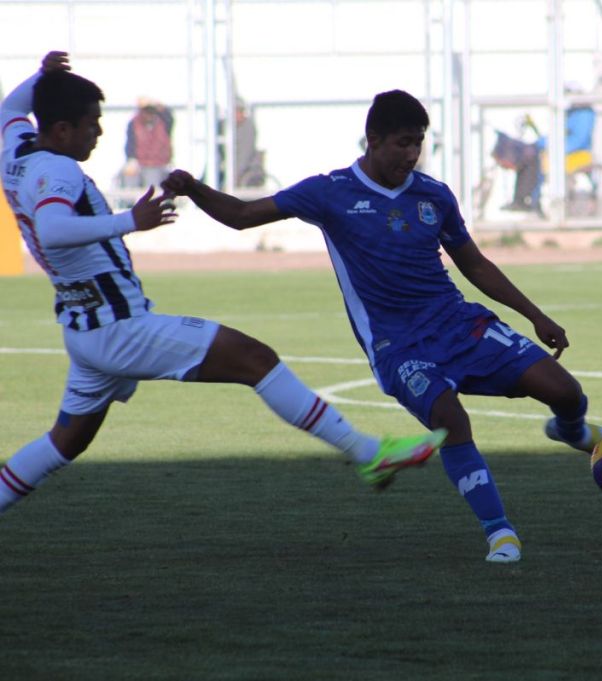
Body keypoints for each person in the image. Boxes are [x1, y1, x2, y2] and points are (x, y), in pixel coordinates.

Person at [161, 89, 602, 563]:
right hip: (398, 346)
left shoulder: (433, 195)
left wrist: (535, 315)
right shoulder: (330, 192)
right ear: (373, 140)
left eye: (418, 143)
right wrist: (193, 188)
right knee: (451, 419)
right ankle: (500, 533)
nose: (411, 154)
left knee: (565, 391)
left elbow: (473, 264)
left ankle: (571, 431)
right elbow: (242, 215)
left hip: (459, 323)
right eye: (402, 143)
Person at [0, 52, 445, 519]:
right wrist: (131, 220)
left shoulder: (18, 149)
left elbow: (11, 108)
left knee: (64, 443)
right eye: (92, 123)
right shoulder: (59, 171)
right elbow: (51, 229)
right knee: (256, 360)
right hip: (118, 328)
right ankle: (368, 453)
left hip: (85, 326)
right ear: (62, 129)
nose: (100, 132)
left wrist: (43, 75)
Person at [502, 86, 597, 214]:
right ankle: (523, 199)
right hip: (564, 150)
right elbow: (560, 135)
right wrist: (543, 142)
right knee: (530, 156)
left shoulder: (584, 114)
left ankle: (528, 200)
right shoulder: (572, 113)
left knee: (536, 159)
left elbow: (576, 141)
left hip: (576, 154)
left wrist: (549, 145)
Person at [122, 97, 174, 190]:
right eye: (146, 111)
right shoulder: (133, 124)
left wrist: (152, 102)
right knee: (128, 178)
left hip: (158, 165)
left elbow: (168, 114)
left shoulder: (164, 123)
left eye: (151, 111)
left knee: (152, 182)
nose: (149, 114)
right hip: (139, 164)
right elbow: (130, 144)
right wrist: (131, 160)